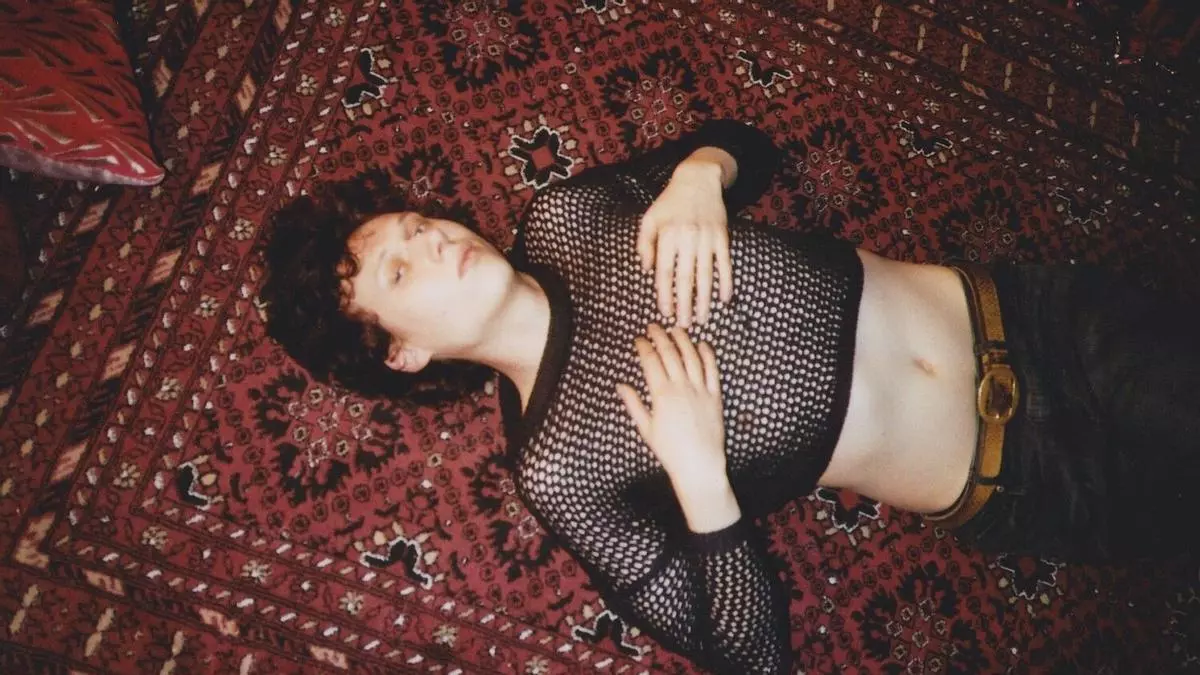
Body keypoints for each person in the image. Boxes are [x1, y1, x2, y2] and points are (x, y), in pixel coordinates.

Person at [260, 119, 1199, 674]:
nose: (433, 240)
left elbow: (751, 146)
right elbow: (748, 653)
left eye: (417, 223)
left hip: (1043, 313)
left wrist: (699, 175)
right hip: (1033, 475)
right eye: (400, 269)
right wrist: (702, 479)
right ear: (405, 353)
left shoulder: (567, 214)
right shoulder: (559, 469)